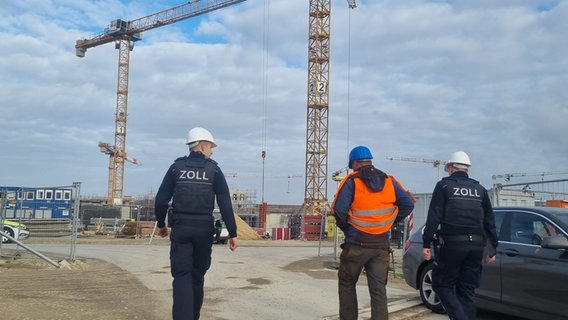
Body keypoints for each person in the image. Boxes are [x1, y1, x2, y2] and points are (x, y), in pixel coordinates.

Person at [154, 127, 238, 320]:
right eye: (211, 147)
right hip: (203, 231)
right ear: (202, 145)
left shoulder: (176, 168)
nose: (212, 152)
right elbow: (225, 201)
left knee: (181, 276)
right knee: (197, 276)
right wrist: (232, 233)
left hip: (181, 229)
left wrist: (161, 224)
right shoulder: (214, 170)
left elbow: (161, 199)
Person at [331, 146, 415, 320]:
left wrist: (348, 229)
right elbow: (408, 204)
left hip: (356, 245)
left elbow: (339, 211)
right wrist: (388, 223)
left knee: (347, 284)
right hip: (380, 247)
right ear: (370, 161)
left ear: (354, 163)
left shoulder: (351, 181)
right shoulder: (389, 181)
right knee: (378, 292)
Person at [422, 151, 498, 320]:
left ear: (450, 168)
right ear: (467, 169)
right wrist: (492, 248)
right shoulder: (480, 189)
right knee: (467, 290)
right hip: (477, 247)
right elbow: (489, 220)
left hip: (453, 246)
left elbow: (434, 216)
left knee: (441, 284)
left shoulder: (443, 186)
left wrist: (426, 243)